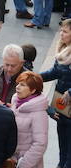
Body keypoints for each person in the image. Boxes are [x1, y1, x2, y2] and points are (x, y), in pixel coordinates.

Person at [40, 19, 71, 168]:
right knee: (63, 137)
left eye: (65, 31)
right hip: (62, 104)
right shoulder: (63, 51)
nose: (61, 34)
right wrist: (36, 78)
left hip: (68, 102)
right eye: (61, 30)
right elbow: (55, 72)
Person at [10, 71, 48, 168]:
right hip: (12, 160)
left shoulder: (39, 113)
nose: (17, 87)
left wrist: (23, 164)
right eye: (18, 83)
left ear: (33, 90)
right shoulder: (16, 102)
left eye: (22, 85)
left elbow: (40, 144)